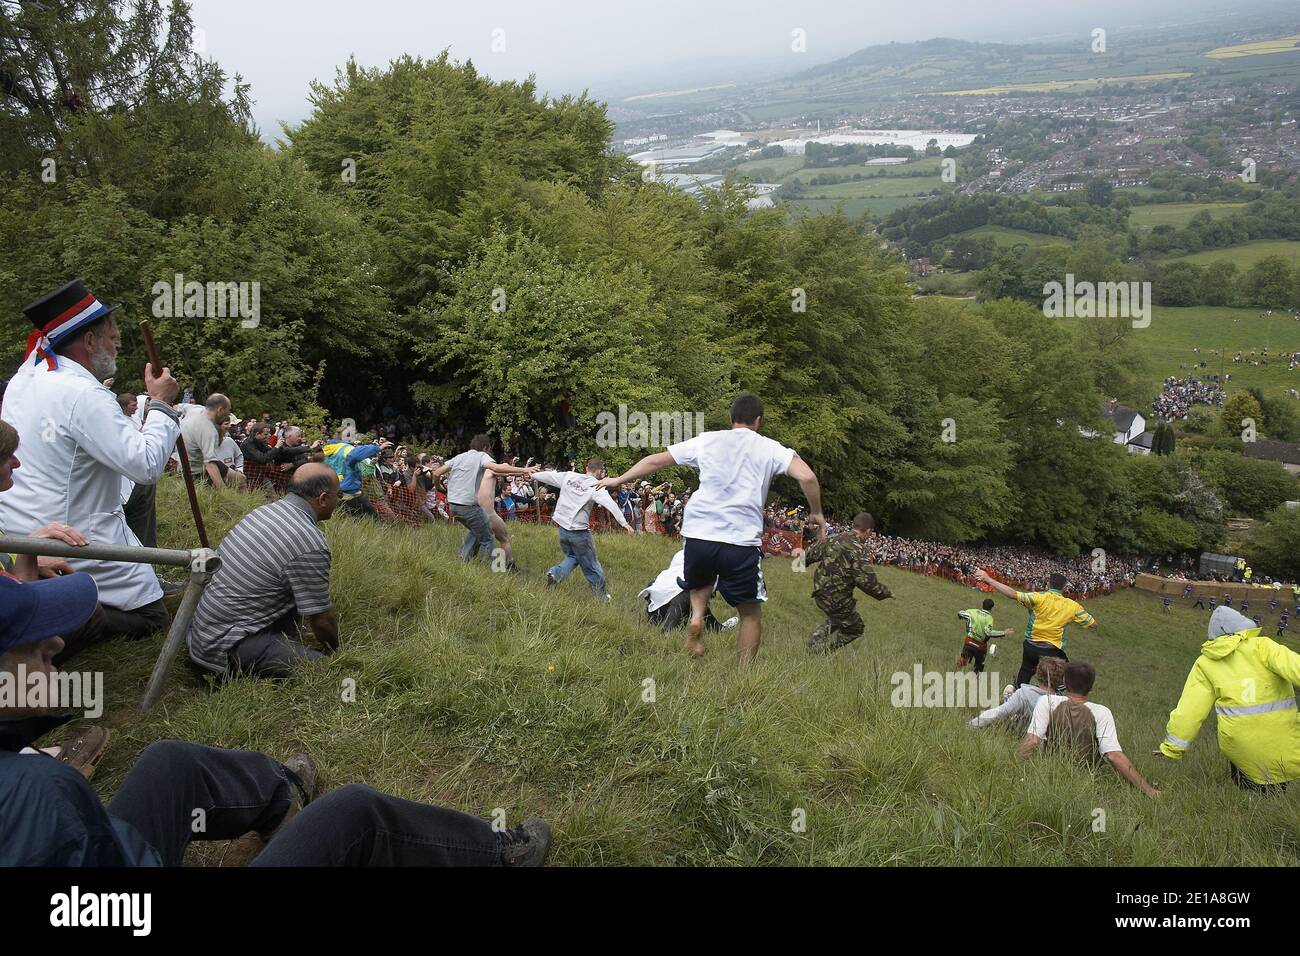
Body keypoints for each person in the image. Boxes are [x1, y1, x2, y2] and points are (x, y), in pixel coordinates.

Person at [0, 572, 552, 866]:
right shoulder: (38, 795)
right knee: (353, 813)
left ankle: (280, 792)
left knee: (169, 762)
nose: (54, 638)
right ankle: (499, 851)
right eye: (27, 640)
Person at [0, 278, 180, 641]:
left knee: (137, 495)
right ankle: (77, 617)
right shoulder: (84, 393)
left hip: (19, 530)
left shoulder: (25, 376)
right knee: (153, 616)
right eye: (113, 339)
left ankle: (141, 570)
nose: (117, 347)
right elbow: (145, 465)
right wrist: (161, 405)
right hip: (68, 534)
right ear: (89, 340)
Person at [598, 393, 825, 663]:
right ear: (758, 421)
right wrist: (816, 512)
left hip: (698, 534)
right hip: (740, 541)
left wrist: (618, 479)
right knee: (750, 612)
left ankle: (696, 618)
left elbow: (656, 460)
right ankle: (744, 675)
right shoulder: (771, 448)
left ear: (731, 419)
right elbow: (808, 477)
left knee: (701, 581)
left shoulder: (707, 440)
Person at [188, 465, 341, 679]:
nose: (338, 500)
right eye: (338, 495)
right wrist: (337, 651)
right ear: (323, 498)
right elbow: (322, 621)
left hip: (201, 631)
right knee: (327, 671)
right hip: (223, 649)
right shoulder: (309, 542)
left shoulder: (266, 511)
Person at [1160, 607, 1300, 791]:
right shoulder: (1263, 646)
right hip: (1283, 739)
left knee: (1250, 793)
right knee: (1282, 789)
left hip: (1239, 746)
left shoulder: (1205, 662)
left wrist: (1172, 747)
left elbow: (1189, 711)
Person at [1020, 661, 1159, 797]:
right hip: (1087, 783)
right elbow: (1113, 756)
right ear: (1091, 687)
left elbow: (1032, 741)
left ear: (1064, 682)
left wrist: (1018, 771)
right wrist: (1150, 791)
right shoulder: (1101, 712)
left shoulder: (1047, 701)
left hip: (1049, 776)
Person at [974, 569, 1097, 689]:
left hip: (1031, 646)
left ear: (1048, 583)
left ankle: (1016, 693)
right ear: (1064, 587)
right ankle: (1052, 702)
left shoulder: (1037, 597)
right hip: (1052, 650)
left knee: (1026, 671)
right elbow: (1092, 624)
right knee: (1065, 677)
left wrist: (988, 579)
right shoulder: (1072, 606)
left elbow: (1012, 594)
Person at [532, 457, 633, 599]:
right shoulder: (596, 485)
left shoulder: (569, 476)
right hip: (579, 532)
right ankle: (601, 599)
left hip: (562, 528)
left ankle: (555, 573)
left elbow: (549, 476)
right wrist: (625, 524)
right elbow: (610, 504)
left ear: (586, 468)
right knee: (591, 566)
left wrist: (531, 473)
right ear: (599, 471)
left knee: (573, 556)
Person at [430, 435, 535, 564]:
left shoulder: (459, 457)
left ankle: (463, 560)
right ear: (485, 447)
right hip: (468, 506)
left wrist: (439, 487)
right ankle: (493, 569)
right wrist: (525, 469)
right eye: (489, 449)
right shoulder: (482, 456)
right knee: (488, 537)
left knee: (477, 531)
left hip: (453, 506)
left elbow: (436, 473)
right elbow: (496, 468)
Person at [802, 511, 893, 654]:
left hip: (820, 592)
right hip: (838, 597)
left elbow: (807, 555)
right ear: (868, 531)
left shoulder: (833, 538)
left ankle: (813, 646)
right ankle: (817, 651)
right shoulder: (858, 550)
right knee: (855, 628)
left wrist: (801, 563)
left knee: (838, 619)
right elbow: (866, 582)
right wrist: (886, 593)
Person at [638, 548, 737, 632]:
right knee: (691, 595)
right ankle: (667, 631)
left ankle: (716, 628)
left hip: (658, 610)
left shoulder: (674, 564)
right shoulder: (707, 568)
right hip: (668, 612)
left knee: (695, 599)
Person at [969, 656, 1066, 733]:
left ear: (1037, 674)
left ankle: (1010, 700)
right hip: (1046, 744)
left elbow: (998, 713)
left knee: (1009, 712)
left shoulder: (1024, 694)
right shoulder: (1064, 702)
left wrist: (971, 725)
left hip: (1021, 732)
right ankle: (1011, 701)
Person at [181, 393, 235, 488]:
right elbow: (210, 464)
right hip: (195, 472)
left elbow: (178, 407)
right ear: (220, 410)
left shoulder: (195, 409)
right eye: (228, 410)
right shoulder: (209, 432)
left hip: (183, 464)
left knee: (239, 478)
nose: (229, 414)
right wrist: (224, 491)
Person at [956, 597, 1008, 673]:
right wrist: (1003, 633)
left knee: (962, 662)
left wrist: (961, 616)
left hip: (969, 642)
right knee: (978, 668)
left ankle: (953, 674)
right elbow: (988, 632)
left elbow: (961, 613)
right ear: (991, 608)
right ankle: (974, 682)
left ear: (982, 604)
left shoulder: (973, 611)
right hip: (980, 647)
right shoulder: (989, 618)